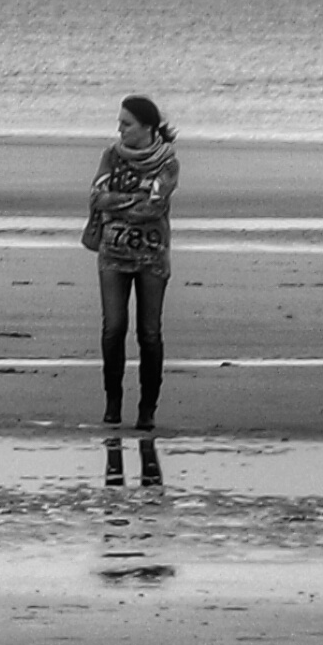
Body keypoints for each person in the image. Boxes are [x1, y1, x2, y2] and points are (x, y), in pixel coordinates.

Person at [86, 92, 178, 431]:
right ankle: (113, 404)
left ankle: (147, 409)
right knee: (113, 329)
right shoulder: (110, 156)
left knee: (149, 333)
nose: (120, 130)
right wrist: (132, 198)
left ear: (147, 127)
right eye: (119, 123)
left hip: (152, 257)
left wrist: (119, 203)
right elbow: (97, 197)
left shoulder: (168, 162)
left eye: (127, 124)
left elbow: (153, 206)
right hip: (112, 254)